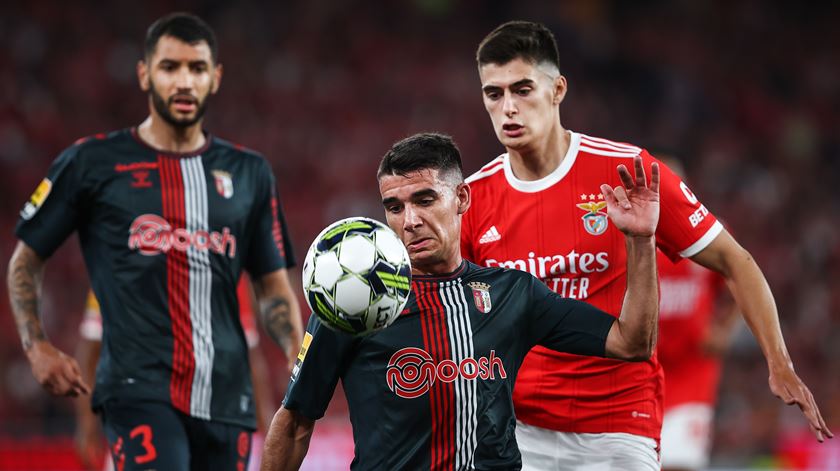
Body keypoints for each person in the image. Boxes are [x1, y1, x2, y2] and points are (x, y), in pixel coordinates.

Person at [462, 20, 832, 470]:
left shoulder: (629, 171)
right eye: (493, 93)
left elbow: (737, 261)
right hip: (520, 430)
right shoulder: (471, 199)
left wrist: (779, 362)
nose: (508, 108)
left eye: (522, 89)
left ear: (558, 89)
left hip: (618, 423)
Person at [7, 12, 302, 471]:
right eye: (170, 67)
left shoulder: (249, 173)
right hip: (136, 390)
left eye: (197, 68)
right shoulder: (92, 163)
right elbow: (26, 259)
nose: (184, 81)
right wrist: (36, 346)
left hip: (226, 398)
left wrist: (294, 351)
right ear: (145, 73)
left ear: (216, 77)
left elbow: (271, 285)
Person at [261, 132, 661, 470]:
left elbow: (633, 341)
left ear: (462, 198)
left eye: (425, 199)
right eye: (395, 207)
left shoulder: (513, 293)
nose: (410, 220)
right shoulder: (355, 301)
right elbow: (296, 422)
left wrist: (641, 242)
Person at [74, 276, 278, 471]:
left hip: (209, 423)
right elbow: (91, 349)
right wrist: (87, 424)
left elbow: (248, 355)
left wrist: (269, 428)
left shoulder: (227, 259)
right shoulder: (115, 257)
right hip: (139, 417)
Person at [654, 158, 740, 471]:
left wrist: (725, 331)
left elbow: (739, 278)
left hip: (692, 374)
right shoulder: (629, 239)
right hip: (642, 374)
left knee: (679, 464)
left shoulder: (706, 233)